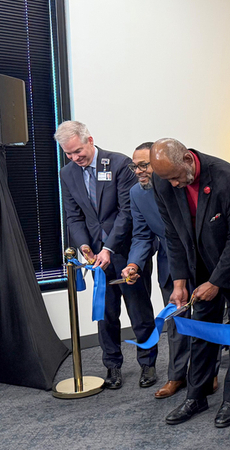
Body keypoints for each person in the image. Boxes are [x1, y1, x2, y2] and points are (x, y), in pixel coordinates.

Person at [150, 138, 230, 428]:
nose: (172, 184)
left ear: (186, 159)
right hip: (197, 266)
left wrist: (216, 282)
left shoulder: (228, 179)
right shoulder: (163, 182)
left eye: (175, 177)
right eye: (167, 179)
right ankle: (196, 396)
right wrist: (180, 281)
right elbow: (171, 234)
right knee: (202, 330)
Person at [56, 121, 158, 390]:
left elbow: (127, 212)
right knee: (105, 313)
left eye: (78, 151)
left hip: (126, 250)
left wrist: (108, 248)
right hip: (95, 257)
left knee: (139, 310)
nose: (75, 158)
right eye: (68, 154)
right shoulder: (67, 174)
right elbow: (73, 216)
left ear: (89, 140)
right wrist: (85, 247)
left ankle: (148, 364)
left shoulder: (119, 164)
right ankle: (112, 366)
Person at [122, 142, 198, 399]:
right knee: (175, 323)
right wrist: (134, 263)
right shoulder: (136, 193)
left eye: (145, 165)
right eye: (136, 166)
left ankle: (205, 375)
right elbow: (142, 236)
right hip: (169, 264)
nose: (139, 171)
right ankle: (176, 376)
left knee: (205, 319)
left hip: (200, 259)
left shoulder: (181, 184)